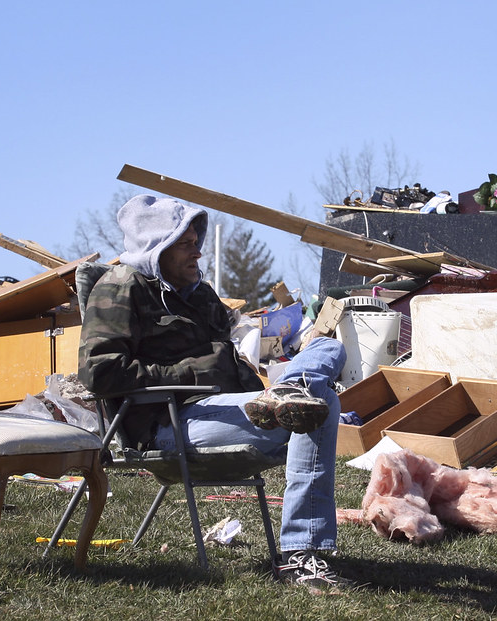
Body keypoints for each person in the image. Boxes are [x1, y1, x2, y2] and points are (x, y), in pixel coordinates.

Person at [78, 194, 352, 594]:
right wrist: (192, 371)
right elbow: (98, 372)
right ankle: (300, 556)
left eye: (196, 241)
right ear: (160, 244)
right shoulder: (121, 287)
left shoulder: (198, 293)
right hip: (167, 423)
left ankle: (292, 388)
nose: (198, 252)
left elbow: (229, 348)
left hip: (224, 409)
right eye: (187, 244)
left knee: (329, 346)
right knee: (322, 404)